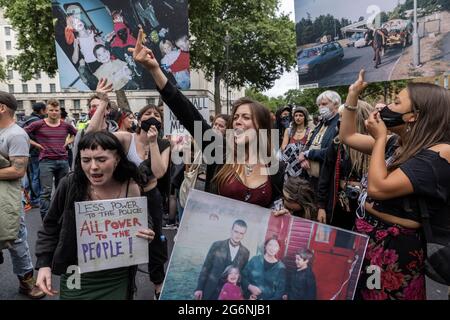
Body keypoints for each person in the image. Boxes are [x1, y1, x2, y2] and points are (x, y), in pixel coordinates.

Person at [130, 29, 284, 209]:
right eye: (236, 117)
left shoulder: (275, 166)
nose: (237, 121)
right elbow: (187, 113)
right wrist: (154, 69)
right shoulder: (218, 150)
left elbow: (276, 206)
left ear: (261, 126)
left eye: (246, 117)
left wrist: (281, 214)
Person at [340, 70, 450, 300]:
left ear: (413, 116)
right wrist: (352, 95)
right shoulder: (396, 143)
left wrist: (379, 138)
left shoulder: (440, 153)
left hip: (396, 252)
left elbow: (378, 188)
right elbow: (348, 136)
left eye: (396, 102)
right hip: (369, 243)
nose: (388, 106)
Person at [35, 131, 155, 300]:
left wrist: (146, 231)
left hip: (116, 276)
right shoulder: (70, 184)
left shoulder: (131, 186)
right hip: (75, 272)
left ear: (117, 159)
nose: (93, 167)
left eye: (101, 159)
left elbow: (144, 219)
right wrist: (44, 264)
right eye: (86, 160)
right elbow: (50, 226)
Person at [88, 100, 171, 300]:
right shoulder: (126, 138)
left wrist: (153, 143)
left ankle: (158, 284)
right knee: (126, 241)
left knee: (155, 241)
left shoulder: (163, 143)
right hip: (127, 197)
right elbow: (93, 135)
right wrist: (103, 103)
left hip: (151, 197)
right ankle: (125, 286)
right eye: (147, 113)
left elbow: (159, 172)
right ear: (139, 118)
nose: (152, 117)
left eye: (157, 115)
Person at [0, 91, 45, 299]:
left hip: (8, 198)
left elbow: (18, 171)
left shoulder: (16, 134)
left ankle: (27, 284)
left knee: (15, 239)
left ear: (2, 108)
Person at [316, 101, 374, 228]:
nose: (340, 121)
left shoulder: (377, 144)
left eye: (344, 117)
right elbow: (324, 176)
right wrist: (321, 206)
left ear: (356, 119)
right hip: (339, 206)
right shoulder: (336, 143)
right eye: (340, 117)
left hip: (367, 208)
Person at [24, 99, 77, 220]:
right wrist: (36, 145)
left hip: (63, 161)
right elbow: (22, 133)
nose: (54, 112)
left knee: (62, 191)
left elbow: (77, 133)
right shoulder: (39, 124)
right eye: (51, 110)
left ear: (59, 111)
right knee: (46, 192)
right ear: (46, 111)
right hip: (46, 161)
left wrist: (69, 141)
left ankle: (61, 218)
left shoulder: (65, 124)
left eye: (56, 110)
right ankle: (46, 220)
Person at [194, 220, 250, 300]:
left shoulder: (245, 253)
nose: (238, 235)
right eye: (236, 231)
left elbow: (242, 275)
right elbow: (206, 267)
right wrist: (199, 288)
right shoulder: (216, 245)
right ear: (231, 230)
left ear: (244, 234)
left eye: (241, 233)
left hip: (229, 294)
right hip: (211, 291)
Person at [300, 91, 341, 191]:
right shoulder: (320, 123)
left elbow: (332, 152)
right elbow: (309, 143)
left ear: (336, 104)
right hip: (311, 179)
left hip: (328, 181)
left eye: (324, 104)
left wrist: (308, 153)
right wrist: (303, 156)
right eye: (319, 105)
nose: (321, 107)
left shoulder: (339, 124)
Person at [21, 102, 47, 208]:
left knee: (32, 176)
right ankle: (35, 199)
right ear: (41, 110)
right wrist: (37, 144)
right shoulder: (37, 121)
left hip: (28, 151)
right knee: (36, 176)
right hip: (36, 152)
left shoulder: (27, 119)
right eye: (45, 110)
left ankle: (29, 197)